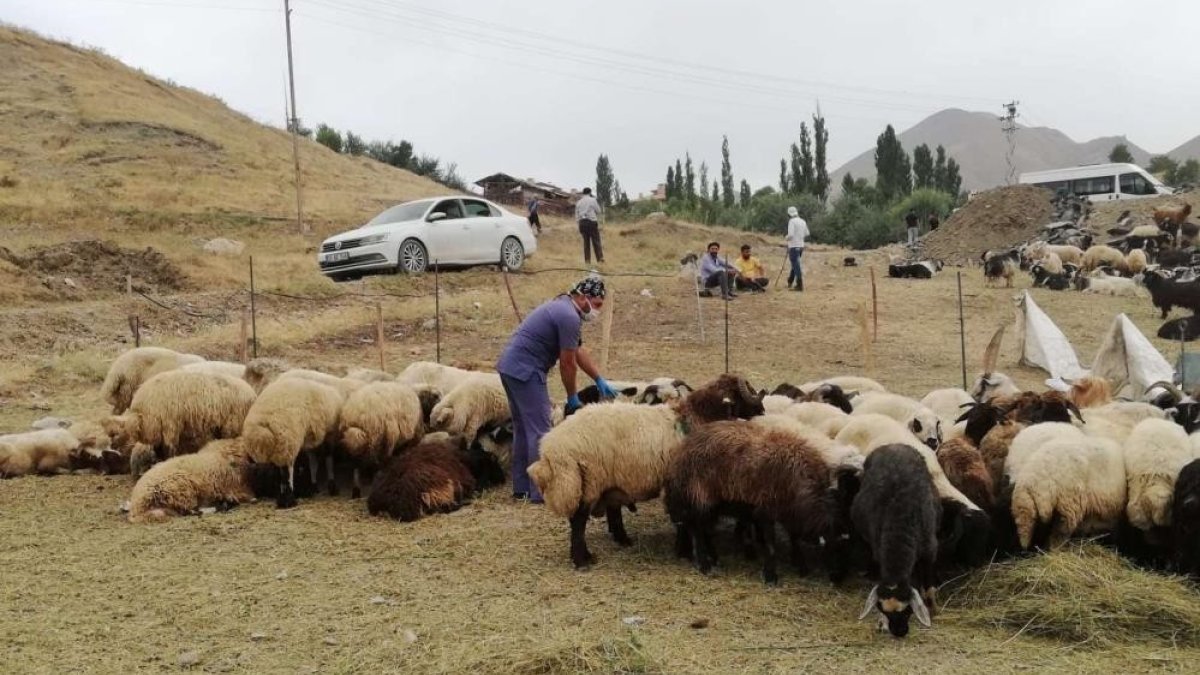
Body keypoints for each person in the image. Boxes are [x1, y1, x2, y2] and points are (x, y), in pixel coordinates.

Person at [495, 276, 617, 502]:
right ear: (583, 297)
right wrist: (572, 397)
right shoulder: (569, 317)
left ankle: (522, 487)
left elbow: (578, 351)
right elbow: (567, 363)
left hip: (510, 367)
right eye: (597, 304)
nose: (597, 311)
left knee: (523, 428)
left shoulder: (563, 308)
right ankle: (539, 491)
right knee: (541, 431)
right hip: (526, 371)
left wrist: (599, 379)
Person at [574, 187, 604, 264]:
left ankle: (587, 262)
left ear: (583, 193)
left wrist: (579, 223)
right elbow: (598, 211)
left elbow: (576, 216)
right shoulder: (592, 200)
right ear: (590, 192)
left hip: (582, 223)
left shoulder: (579, 202)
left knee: (586, 243)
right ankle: (600, 260)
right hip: (591, 222)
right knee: (596, 242)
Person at [785, 206, 809, 291]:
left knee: (795, 265)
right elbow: (807, 233)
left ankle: (799, 285)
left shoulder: (791, 221)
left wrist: (786, 237)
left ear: (789, 214)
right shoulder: (803, 221)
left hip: (793, 246)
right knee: (795, 264)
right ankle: (790, 281)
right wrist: (800, 236)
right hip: (801, 246)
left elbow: (790, 235)